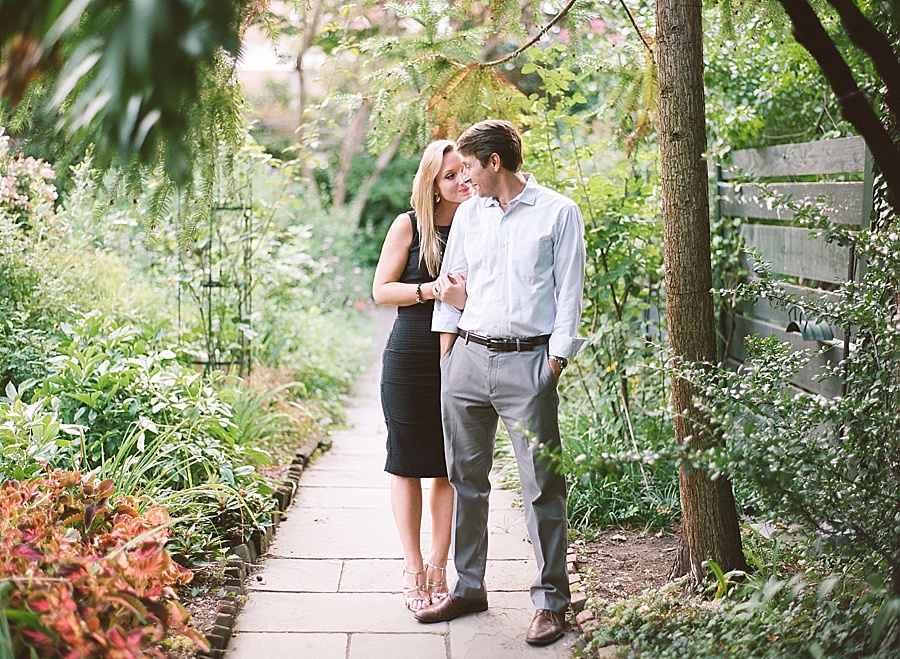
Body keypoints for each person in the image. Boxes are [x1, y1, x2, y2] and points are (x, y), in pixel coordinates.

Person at [417, 120, 586, 647]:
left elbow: (569, 295)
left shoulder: (558, 213)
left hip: (528, 365)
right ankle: (469, 588)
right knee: (465, 479)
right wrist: (448, 357)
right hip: (467, 358)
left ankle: (550, 602)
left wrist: (553, 365)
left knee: (540, 486)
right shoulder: (469, 215)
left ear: (494, 163)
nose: (461, 176)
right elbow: (452, 283)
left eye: (467, 165)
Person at [372, 140, 472, 612]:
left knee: (449, 466)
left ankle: (438, 564)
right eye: (449, 176)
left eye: (463, 173)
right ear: (432, 184)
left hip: (461, 359)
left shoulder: (481, 223)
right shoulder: (409, 225)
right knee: (407, 462)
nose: (460, 182)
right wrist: (430, 290)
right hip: (410, 359)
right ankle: (413, 568)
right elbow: (381, 290)